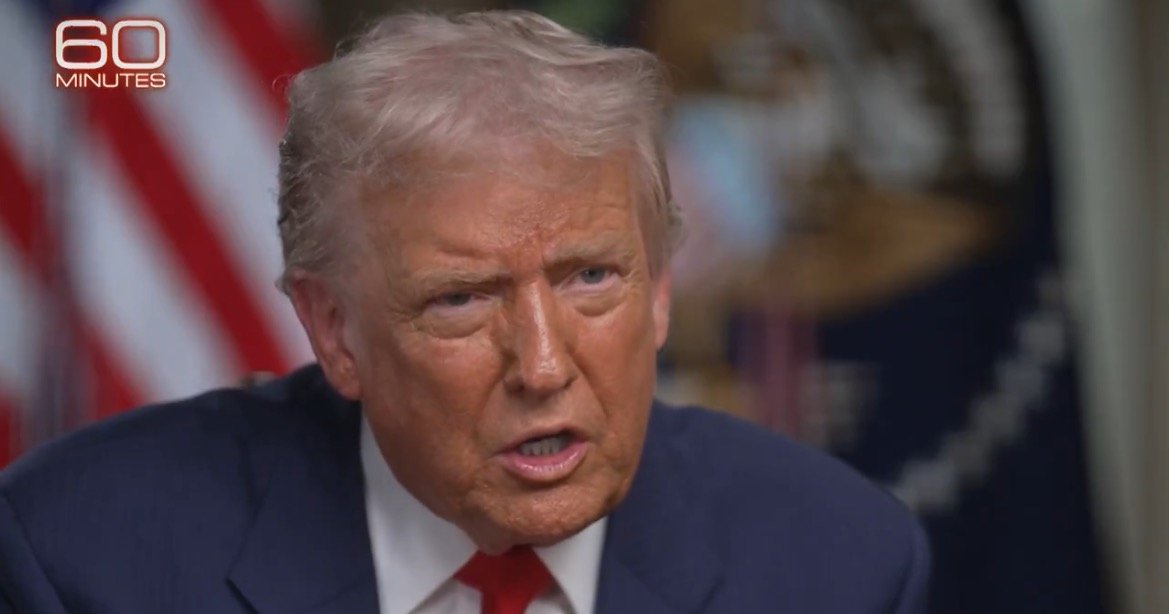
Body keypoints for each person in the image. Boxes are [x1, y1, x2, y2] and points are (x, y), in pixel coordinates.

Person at [0, 11, 929, 613]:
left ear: (659, 292)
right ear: (333, 331)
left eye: (591, 279)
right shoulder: (88, 561)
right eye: (460, 299)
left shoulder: (839, 566)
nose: (541, 365)